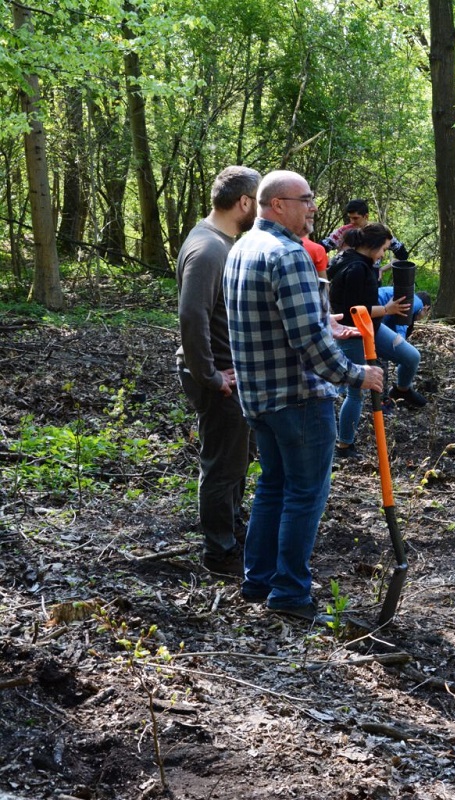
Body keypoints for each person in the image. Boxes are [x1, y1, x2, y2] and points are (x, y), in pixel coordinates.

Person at [224, 170, 384, 623]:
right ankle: (290, 591)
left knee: (273, 485)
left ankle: (258, 579)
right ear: (277, 204)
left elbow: (277, 321)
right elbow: (310, 347)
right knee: (304, 492)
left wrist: (323, 321)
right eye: (306, 198)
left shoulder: (242, 249)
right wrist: (357, 376)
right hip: (297, 397)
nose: (313, 206)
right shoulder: (287, 253)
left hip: (259, 396)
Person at [176, 166, 260, 577]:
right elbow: (192, 316)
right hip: (217, 378)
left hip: (229, 374)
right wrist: (210, 375)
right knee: (222, 465)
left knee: (237, 458)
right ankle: (220, 552)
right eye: (257, 202)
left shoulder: (220, 241)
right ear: (244, 202)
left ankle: (231, 530)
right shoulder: (210, 249)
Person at [328, 223, 423, 459]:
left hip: (373, 328)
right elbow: (354, 311)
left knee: (411, 357)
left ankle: (401, 390)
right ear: (371, 246)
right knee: (356, 391)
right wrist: (387, 308)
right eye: (383, 249)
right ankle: (344, 445)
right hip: (353, 333)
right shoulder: (355, 267)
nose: (383, 255)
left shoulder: (362, 263)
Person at [377, 288, 431, 406]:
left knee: (382, 358)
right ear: (426, 308)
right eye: (426, 314)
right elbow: (402, 321)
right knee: (410, 357)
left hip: (373, 313)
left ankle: (383, 399)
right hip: (373, 313)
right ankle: (398, 392)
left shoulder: (410, 298)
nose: (423, 317)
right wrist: (401, 346)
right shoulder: (417, 302)